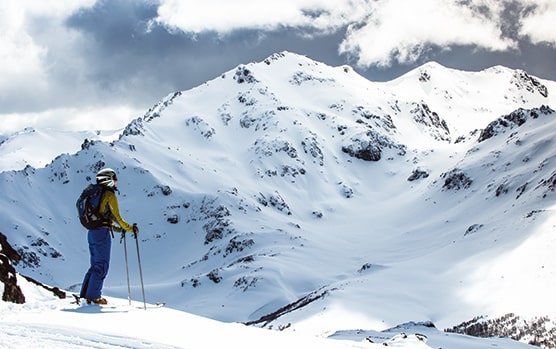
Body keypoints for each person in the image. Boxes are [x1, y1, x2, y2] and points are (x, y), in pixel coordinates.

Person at [79, 168, 138, 305]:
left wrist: (119, 230)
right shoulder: (109, 195)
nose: (116, 182)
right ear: (108, 179)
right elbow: (117, 217)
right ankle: (94, 298)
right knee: (102, 265)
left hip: (92, 232)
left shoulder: (96, 193)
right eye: (114, 178)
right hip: (102, 234)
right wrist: (130, 229)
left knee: (95, 265)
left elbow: (104, 219)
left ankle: (85, 295)